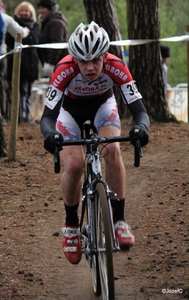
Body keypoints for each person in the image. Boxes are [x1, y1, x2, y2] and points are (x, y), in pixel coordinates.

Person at [40, 21, 150, 265]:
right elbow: (48, 117)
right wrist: (50, 135)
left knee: (112, 149)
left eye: (96, 61)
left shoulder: (117, 66)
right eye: (83, 62)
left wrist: (141, 128)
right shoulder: (63, 69)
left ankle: (119, 221)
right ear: (74, 59)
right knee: (75, 165)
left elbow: (139, 110)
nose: (89, 68)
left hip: (103, 106)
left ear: (105, 56)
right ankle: (71, 226)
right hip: (69, 112)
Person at [6, 2, 40, 123]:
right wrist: (12, 58)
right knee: (22, 93)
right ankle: (21, 118)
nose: (24, 13)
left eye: (26, 11)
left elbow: (37, 47)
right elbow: (8, 44)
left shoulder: (35, 26)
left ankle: (27, 116)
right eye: (22, 11)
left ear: (31, 12)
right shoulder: (14, 26)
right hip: (19, 66)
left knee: (29, 93)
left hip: (32, 67)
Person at [37, 0, 68, 78]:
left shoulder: (56, 22)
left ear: (49, 9)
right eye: (39, 8)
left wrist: (51, 63)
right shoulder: (47, 22)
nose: (40, 11)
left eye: (43, 8)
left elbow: (56, 44)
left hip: (59, 63)